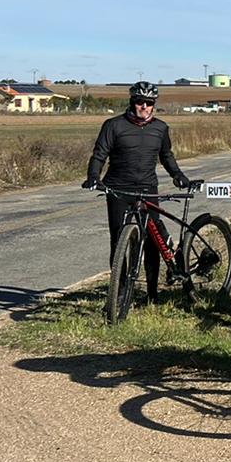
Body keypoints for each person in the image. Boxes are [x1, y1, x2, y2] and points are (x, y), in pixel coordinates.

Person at [83, 81, 195, 302]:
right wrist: (93, 177)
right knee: (117, 240)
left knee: (152, 240)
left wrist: (177, 175)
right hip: (118, 188)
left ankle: (152, 292)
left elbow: (166, 156)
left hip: (148, 188)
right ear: (131, 102)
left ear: (154, 104)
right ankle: (120, 291)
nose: (144, 106)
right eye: (139, 102)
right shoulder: (113, 125)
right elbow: (99, 155)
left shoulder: (161, 128)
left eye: (149, 102)